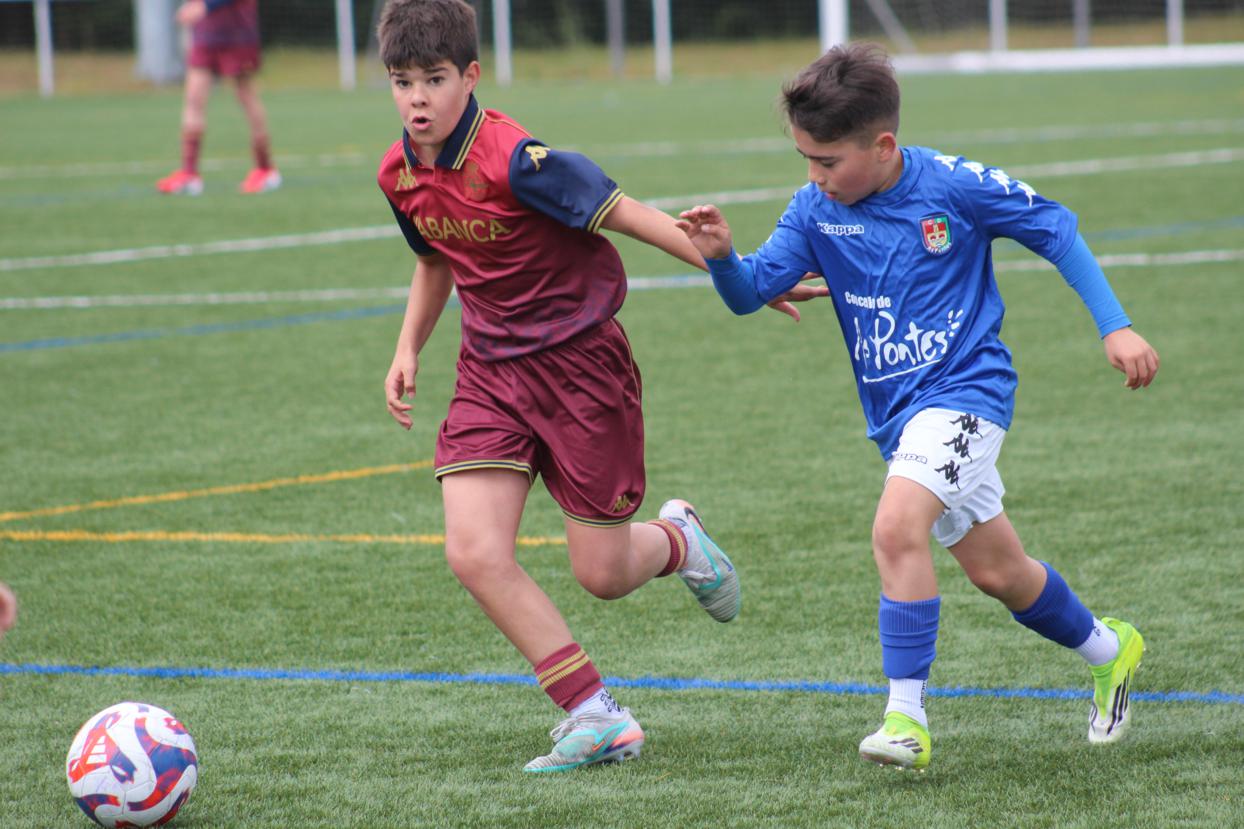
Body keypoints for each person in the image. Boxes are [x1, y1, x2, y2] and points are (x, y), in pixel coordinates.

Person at [677, 43, 1159, 772]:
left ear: (883, 145)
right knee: (1000, 572)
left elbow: (1056, 227)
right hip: (898, 420)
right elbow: (751, 294)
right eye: (805, 159)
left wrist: (1114, 325)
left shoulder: (954, 186)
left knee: (895, 526)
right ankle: (1108, 648)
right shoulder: (814, 210)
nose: (814, 177)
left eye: (827, 161)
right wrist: (721, 257)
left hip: (968, 394)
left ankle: (906, 718)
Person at [375, 0, 755, 774]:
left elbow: (632, 216)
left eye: (434, 79)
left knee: (602, 574)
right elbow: (435, 258)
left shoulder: (521, 161)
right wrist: (408, 345)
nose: (417, 98)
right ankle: (594, 712)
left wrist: (740, 273)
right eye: (402, 81)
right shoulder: (398, 173)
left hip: (581, 368)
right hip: (490, 372)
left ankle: (679, 540)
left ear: (470, 76)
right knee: (474, 551)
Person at [156, 0, 281, 195]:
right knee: (193, 98)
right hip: (206, 34)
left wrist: (205, 6)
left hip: (238, 33)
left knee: (246, 96)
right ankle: (189, 174)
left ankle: (265, 169)